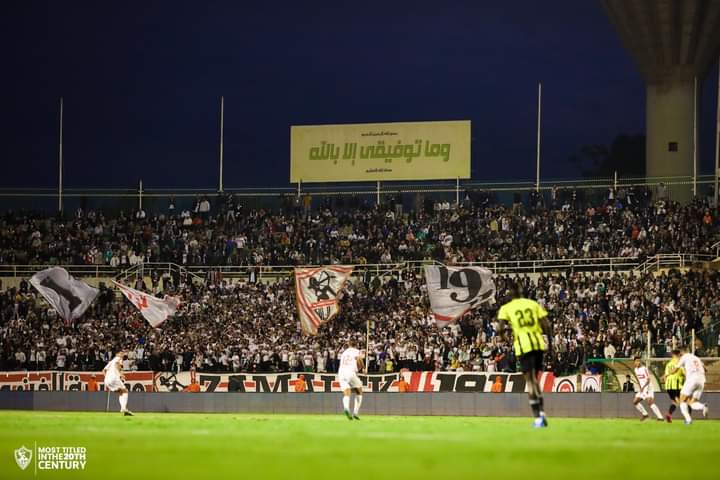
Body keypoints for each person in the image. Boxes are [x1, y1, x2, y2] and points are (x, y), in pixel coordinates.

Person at [496, 283, 551, 428]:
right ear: (521, 292)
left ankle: (538, 418)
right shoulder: (533, 304)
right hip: (538, 344)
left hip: (523, 346)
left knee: (530, 381)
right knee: (536, 380)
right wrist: (550, 345)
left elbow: (499, 329)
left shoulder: (506, 308)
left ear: (510, 294)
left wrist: (508, 339)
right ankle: (542, 413)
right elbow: (547, 325)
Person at [663, 348, 708, 424]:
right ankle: (703, 406)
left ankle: (688, 420)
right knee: (692, 402)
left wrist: (666, 374)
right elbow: (706, 369)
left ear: (682, 352)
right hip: (702, 380)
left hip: (691, 380)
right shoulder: (696, 358)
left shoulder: (684, 357)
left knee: (682, 400)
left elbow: (675, 370)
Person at [338, 340, 364, 420]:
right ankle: (355, 413)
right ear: (356, 345)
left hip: (341, 373)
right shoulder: (357, 351)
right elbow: (359, 360)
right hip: (350, 372)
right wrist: (363, 368)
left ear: (349, 345)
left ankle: (346, 408)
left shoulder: (344, 353)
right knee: (359, 391)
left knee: (347, 393)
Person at [102, 351, 133, 416]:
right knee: (125, 391)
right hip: (114, 378)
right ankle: (123, 408)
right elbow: (117, 365)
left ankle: (123, 408)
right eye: (121, 353)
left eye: (123, 353)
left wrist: (107, 377)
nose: (122, 354)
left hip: (107, 380)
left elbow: (103, 371)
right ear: (117, 354)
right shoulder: (118, 358)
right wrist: (120, 374)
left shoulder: (111, 362)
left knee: (121, 392)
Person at [632, 356, 663, 421]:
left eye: (639, 361)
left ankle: (660, 417)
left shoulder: (644, 368)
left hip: (648, 387)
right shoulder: (635, 370)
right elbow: (638, 380)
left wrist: (643, 387)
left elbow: (648, 380)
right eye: (636, 361)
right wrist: (640, 387)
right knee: (635, 401)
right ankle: (645, 414)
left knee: (649, 402)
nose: (638, 362)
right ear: (634, 362)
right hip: (642, 388)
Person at [663, 350, 684, 422]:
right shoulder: (680, 363)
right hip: (677, 384)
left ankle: (669, 414)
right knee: (683, 401)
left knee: (674, 402)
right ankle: (687, 417)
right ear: (679, 354)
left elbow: (665, 376)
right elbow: (684, 374)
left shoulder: (668, 364)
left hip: (668, 385)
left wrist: (666, 384)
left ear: (672, 355)